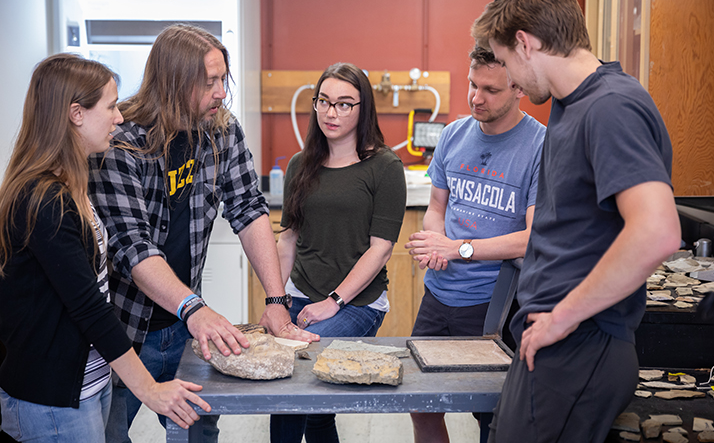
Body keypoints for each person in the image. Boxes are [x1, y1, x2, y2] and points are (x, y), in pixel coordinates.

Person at [472, 0, 681, 443]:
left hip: (580, 345)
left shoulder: (611, 107)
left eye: (506, 62)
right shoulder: (572, 105)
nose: (514, 80)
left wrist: (562, 317)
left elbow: (658, 230)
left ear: (524, 43)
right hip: (556, 341)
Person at [87, 24, 318, 443]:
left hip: (184, 327)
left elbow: (249, 209)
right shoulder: (120, 141)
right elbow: (133, 246)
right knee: (109, 433)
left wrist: (276, 298)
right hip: (124, 329)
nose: (220, 92)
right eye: (208, 82)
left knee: (197, 431)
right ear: (174, 82)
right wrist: (196, 308)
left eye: (222, 79)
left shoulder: (222, 132)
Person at [0, 53, 212, 442]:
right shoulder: (43, 199)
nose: (119, 117)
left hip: (89, 384)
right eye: (111, 106)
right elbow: (90, 309)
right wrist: (150, 390)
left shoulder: (73, 187)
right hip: (53, 400)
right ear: (76, 114)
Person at [404, 46, 546, 443]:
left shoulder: (540, 146)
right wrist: (436, 241)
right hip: (438, 296)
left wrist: (458, 248)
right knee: (420, 402)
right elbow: (436, 207)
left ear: (518, 87)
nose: (475, 97)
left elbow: (534, 237)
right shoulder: (453, 134)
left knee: (492, 414)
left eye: (490, 89)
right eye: (472, 84)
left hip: (494, 303)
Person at [270, 62, 407, 443]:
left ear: (364, 110)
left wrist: (333, 301)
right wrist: (274, 299)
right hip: (300, 295)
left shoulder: (384, 166)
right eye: (324, 102)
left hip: (357, 303)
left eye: (345, 104)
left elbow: (380, 250)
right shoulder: (300, 165)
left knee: (302, 370)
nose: (332, 112)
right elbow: (287, 241)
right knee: (298, 399)